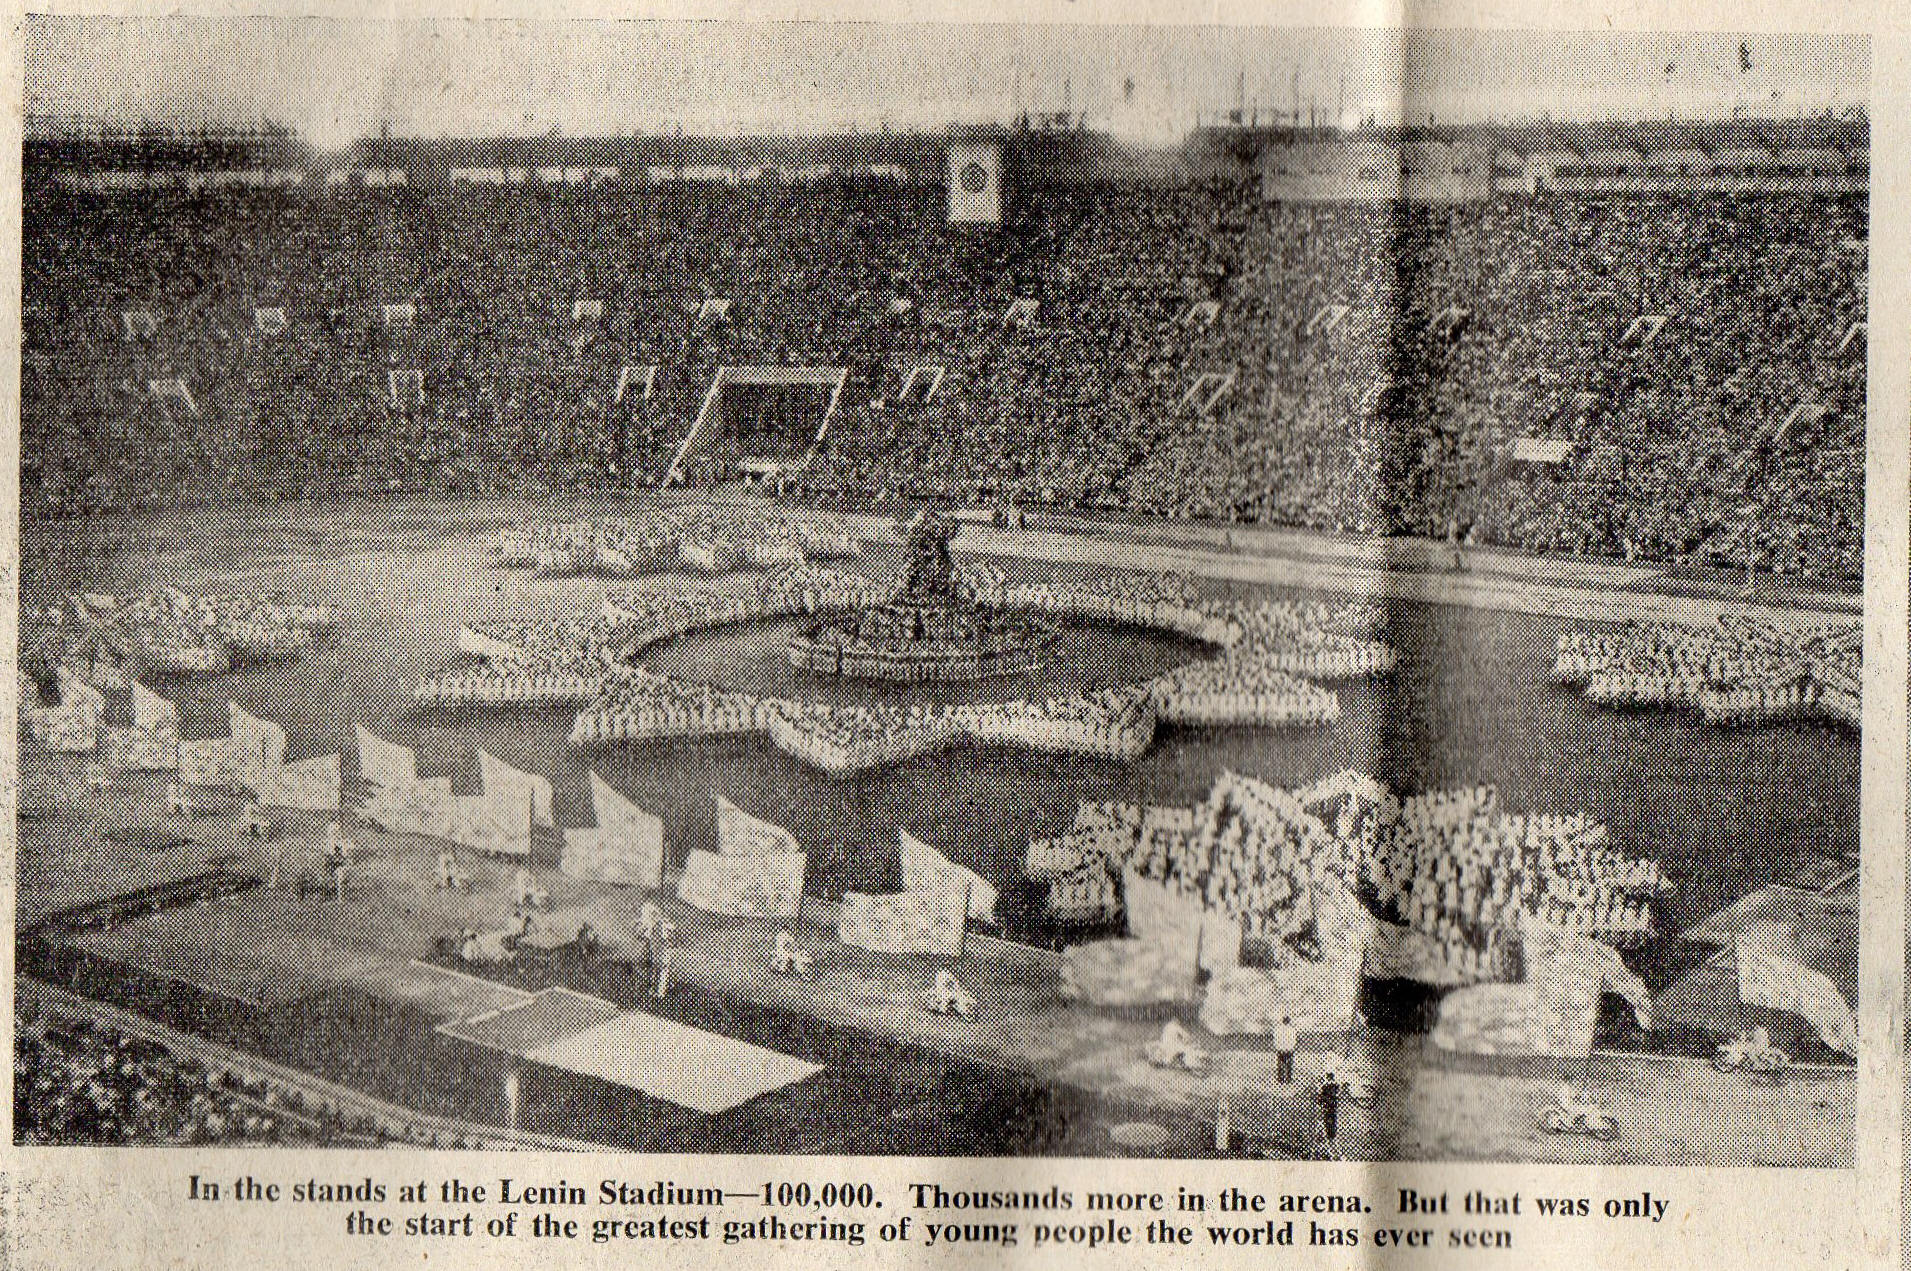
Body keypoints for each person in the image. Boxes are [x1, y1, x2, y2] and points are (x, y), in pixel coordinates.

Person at [1318, 1071, 1342, 1157]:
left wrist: (1322, 1102)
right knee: (1332, 1125)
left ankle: (1330, 1140)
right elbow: (1337, 1097)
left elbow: (1320, 1099)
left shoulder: (1325, 1088)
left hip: (1328, 1109)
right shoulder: (1336, 1087)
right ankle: (1332, 1139)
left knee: (1328, 1125)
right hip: (1332, 1109)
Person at [1273, 1014, 1299, 1084]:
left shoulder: (1278, 1029)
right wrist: (1292, 1048)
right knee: (1289, 1065)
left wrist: (1278, 1048)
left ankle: (1280, 1079)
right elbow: (1294, 1040)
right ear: (1289, 1021)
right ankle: (1289, 1079)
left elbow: (1276, 1040)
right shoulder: (1292, 1029)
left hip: (1281, 1049)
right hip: (1289, 1049)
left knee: (1281, 1065)